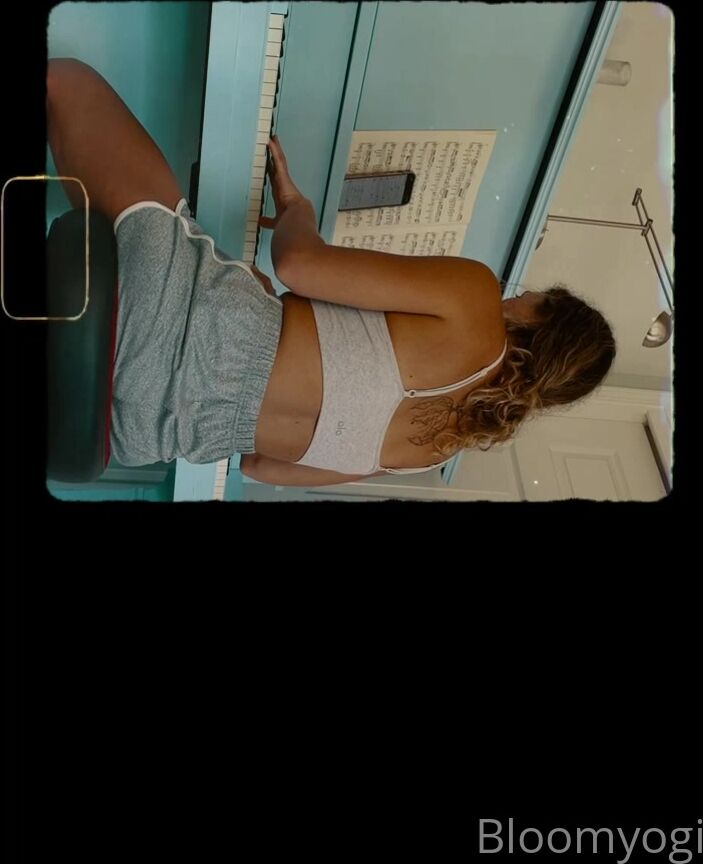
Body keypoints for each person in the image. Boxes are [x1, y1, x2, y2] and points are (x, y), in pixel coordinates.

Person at [46, 59, 616, 487]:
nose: (516, 296)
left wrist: (299, 212)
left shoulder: (476, 302)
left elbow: (299, 264)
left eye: (531, 296)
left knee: (65, 83)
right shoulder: (431, 453)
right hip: (134, 433)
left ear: (544, 317)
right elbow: (260, 466)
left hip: (172, 314)